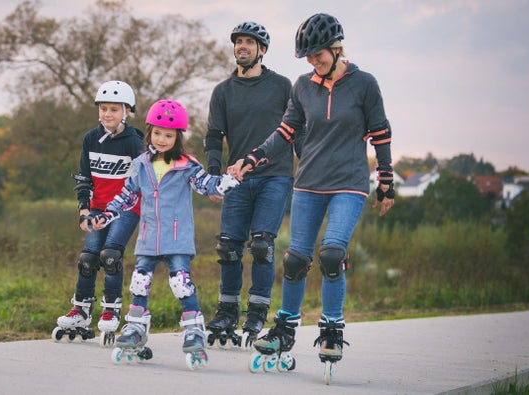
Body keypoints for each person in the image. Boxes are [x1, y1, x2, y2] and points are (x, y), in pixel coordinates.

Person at [230, 13, 396, 377]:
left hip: (350, 183)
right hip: (307, 183)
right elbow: (286, 131)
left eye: (318, 55)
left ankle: (332, 330)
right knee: (294, 260)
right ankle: (285, 328)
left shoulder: (364, 84)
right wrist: (253, 158)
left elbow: (381, 133)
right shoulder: (303, 85)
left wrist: (386, 181)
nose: (313, 62)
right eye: (308, 57)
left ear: (337, 49)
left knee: (332, 254)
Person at [94, 99, 240, 369]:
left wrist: (227, 182)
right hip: (148, 238)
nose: (162, 139)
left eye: (169, 135)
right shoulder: (140, 164)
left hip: (177, 238)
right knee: (139, 281)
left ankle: (194, 328)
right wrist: (105, 215)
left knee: (180, 283)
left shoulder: (187, 166)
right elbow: (125, 196)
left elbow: (206, 185)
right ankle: (135, 327)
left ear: (178, 137)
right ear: (149, 133)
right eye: (158, 133)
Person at [203, 21, 294, 348]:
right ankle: (227, 311)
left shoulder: (283, 87)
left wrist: (309, 169)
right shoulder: (223, 91)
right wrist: (214, 176)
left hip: (276, 176)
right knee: (228, 246)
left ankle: (256, 313)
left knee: (261, 245)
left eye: (249, 43)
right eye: (238, 42)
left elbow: (298, 130)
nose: (241, 47)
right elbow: (214, 136)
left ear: (262, 50)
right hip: (237, 179)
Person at [52, 80, 145, 347]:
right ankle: (81, 311)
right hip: (97, 208)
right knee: (88, 258)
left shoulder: (134, 142)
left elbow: (143, 179)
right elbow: (84, 178)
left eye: (114, 109)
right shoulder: (90, 139)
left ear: (126, 111)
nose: (107, 114)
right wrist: (84, 210)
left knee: (111, 255)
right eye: (104, 108)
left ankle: (111, 309)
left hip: (126, 208)